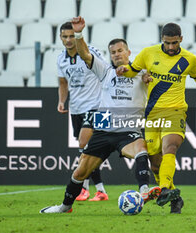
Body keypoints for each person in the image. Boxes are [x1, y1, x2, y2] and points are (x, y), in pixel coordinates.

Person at [40, 16, 160, 214]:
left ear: (129, 52)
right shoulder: (105, 71)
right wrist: (78, 34)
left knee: (141, 148)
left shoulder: (142, 72)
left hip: (128, 129)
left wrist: (149, 78)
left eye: (120, 51)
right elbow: (85, 54)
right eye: (113, 52)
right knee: (80, 172)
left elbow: (154, 79)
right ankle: (65, 206)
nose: (116, 55)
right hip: (104, 130)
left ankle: (144, 190)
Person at [116, 22, 196, 214]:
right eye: (167, 43)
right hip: (153, 113)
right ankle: (175, 198)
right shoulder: (148, 53)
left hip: (175, 110)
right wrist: (124, 70)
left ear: (181, 39)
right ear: (161, 40)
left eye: (174, 43)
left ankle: (164, 189)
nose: (170, 47)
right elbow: (133, 70)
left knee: (170, 147)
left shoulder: (189, 59)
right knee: (155, 163)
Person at [57, 21, 108, 201]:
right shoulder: (61, 59)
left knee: (84, 144)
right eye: (65, 36)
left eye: (72, 36)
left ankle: (83, 188)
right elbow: (63, 83)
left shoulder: (91, 52)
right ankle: (100, 190)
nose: (69, 40)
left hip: (96, 105)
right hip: (76, 108)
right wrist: (62, 101)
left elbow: (105, 72)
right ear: (61, 38)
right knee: (88, 150)